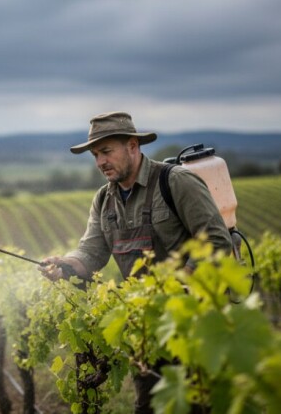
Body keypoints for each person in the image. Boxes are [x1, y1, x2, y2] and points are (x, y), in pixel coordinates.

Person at [39, 111, 232, 414]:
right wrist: (65, 264)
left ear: (132, 146)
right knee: (148, 407)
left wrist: (176, 289)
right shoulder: (104, 200)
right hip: (146, 332)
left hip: (195, 327)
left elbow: (216, 243)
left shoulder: (176, 182)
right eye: (95, 155)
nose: (100, 162)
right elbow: (90, 253)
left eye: (106, 151)